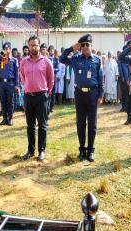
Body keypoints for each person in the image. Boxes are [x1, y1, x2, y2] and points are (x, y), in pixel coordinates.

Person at [60, 34, 104, 162]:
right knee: (80, 123)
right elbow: (62, 59)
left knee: (92, 124)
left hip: (92, 94)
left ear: (91, 46)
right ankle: (82, 150)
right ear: (80, 46)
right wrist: (71, 48)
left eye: (87, 45)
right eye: (83, 45)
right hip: (79, 94)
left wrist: (101, 95)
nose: (85, 47)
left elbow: (101, 79)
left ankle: (91, 150)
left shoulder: (97, 60)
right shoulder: (75, 58)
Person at [19, 35, 54, 161]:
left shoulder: (46, 62)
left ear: (39, 46)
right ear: (28, 46)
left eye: (36, 44)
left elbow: (51, 79)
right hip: (28, 97)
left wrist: (46, 93)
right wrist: (28, 87)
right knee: (30, 125)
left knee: (42, 125)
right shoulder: (23, 62)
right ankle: (30, 150)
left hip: (41, 97)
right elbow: (22, 77)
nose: (34, 47)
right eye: (31, 45)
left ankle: (42, 151)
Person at [0, 42, 19, 126]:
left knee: (10, 101)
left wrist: (16, 84)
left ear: (10, 50)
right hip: (2, 83)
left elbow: (17, 73)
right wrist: (1, 54)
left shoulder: (14, 60)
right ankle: (4, 118)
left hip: (10, 83)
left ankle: (10, 119)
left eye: (7, 49)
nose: (6, 50)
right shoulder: (1, 59)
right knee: (3, 101)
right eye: (5, 49)